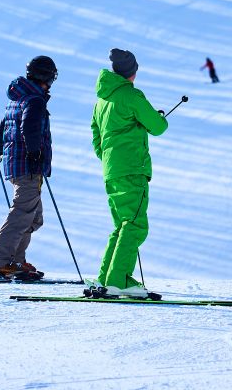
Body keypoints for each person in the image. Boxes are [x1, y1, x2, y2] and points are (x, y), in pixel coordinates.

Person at [92, 48, 168, 297]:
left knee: (122, 225)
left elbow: (97, 138)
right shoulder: (131, 95)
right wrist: (157, 118)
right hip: (132, 169)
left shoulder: (101, 101)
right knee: (135, 224)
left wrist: (111, 159)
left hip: (111, 170)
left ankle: (106, 278)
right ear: (132, 72)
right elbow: (158, 126)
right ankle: (119, 280)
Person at [0, 55, 58, 280]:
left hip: (18, 166)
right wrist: (34, 153)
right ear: (46, 78)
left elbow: (3, 127)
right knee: (21, 214)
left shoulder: (18, 99)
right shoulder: (34, 101)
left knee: (33, 217)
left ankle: (15, 261)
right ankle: (0, 263)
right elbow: (29, 127)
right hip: (28, 167)